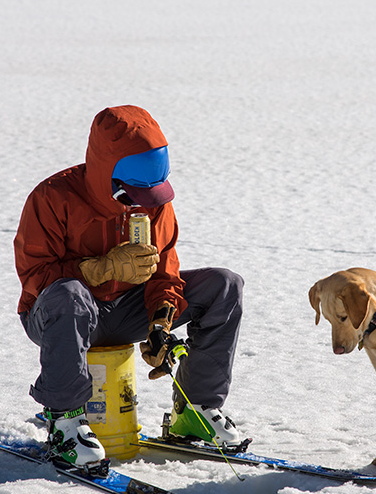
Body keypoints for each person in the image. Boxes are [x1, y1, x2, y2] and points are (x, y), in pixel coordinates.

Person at [14, 105, 243, 469]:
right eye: (133, 193)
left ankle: (196, 411)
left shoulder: (154, 204)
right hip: (59, 314)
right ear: (107, 174)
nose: (142, 203)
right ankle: (66, 424)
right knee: (69, 295)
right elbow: (34, 277)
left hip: (126, 310)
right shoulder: (52, 198)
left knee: (223, 285)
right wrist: (97, 269)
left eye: (149, 193)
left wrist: (159, 328)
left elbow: (165, 274)